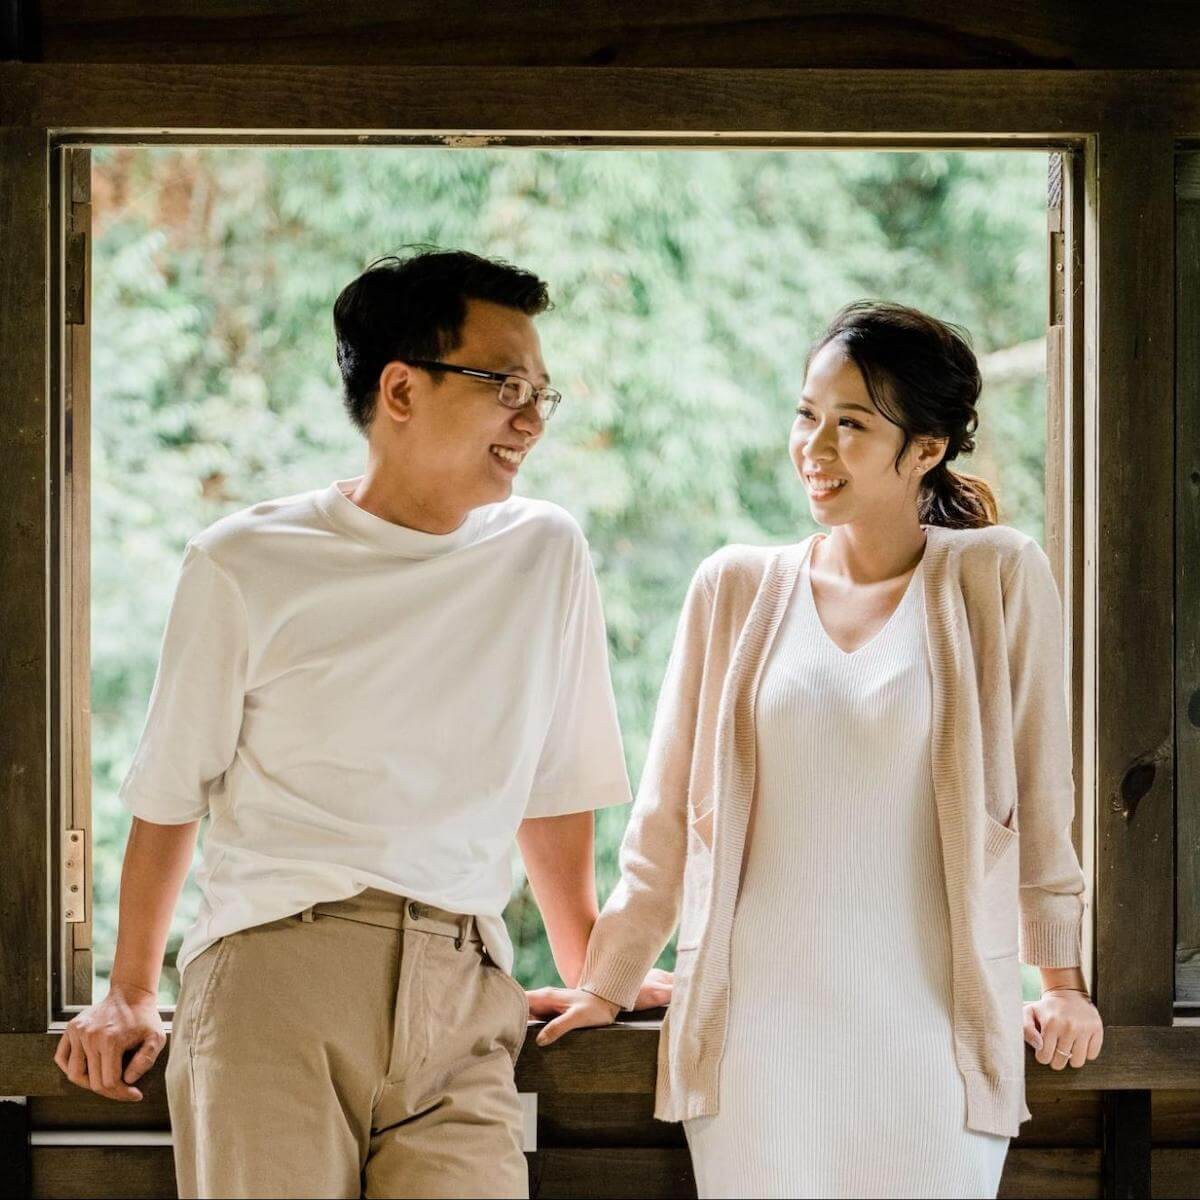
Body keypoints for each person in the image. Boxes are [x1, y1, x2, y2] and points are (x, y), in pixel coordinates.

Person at [54, 249, 665, 1200]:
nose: (532, 418)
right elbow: (172, 790)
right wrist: (131, 987)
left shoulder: (545, 550)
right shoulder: (245, 560)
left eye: (542, 393)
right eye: (506, 386)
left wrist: (594, 969)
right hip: (275, 979)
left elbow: (554, 784)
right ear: (401, 389)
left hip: (465, 989)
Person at [534, 301, 1103, 1200]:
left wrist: (1062, 981)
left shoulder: (995, 574)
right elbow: (668, 816)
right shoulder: (733, 586)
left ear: (926, 448)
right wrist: (607, 982)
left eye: (852, 425)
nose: (815, 446)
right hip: (756, 1042)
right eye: (807, 415)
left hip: (935, 1043)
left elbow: (1040, 795)